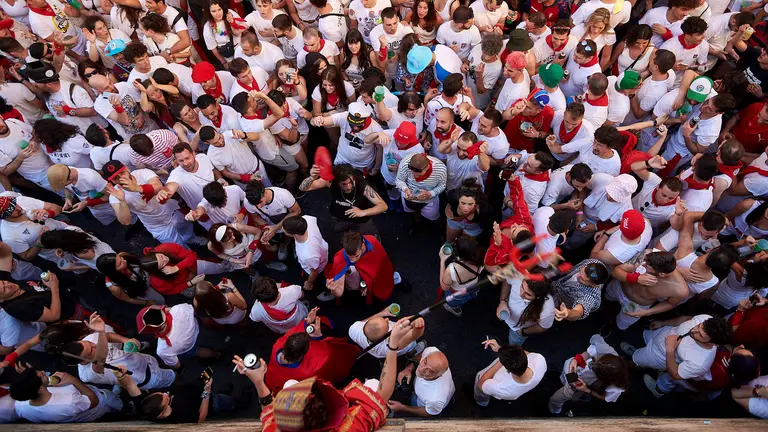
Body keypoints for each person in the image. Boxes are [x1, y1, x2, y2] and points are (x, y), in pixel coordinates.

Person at [250, 316, 422, 431]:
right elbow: (382, 394)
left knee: (289, 384)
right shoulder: (351, 426)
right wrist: (392, 345)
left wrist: (259, 381)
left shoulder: (278, 425)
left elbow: (268, 416)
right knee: (373, 386)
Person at [624, 314, 732, 398]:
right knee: (644, 338)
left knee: (636, 360)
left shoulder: (700, 363)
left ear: (714, 343)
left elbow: (675, 375)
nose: (693, 331)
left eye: (700, 335)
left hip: (660, 356)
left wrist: (670, 350)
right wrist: (663, 323)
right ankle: (640, 350)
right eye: (699, 326)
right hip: (662, 333)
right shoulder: (707, 318)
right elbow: (686, 319)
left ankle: (626, 365)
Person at [62, 314, 175, 391]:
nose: (94, 345)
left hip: (141, 358)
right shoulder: (88, 375)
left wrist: (126, 340)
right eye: (91, 350)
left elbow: (109, 336)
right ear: (82, 361)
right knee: (172, 377)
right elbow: (100, 359)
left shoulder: (90, 339)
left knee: (158, 360)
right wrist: (101, 331)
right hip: (145, 377)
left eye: (89, 343)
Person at [104, 160, 200, 247]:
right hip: (157, 225)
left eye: (122, 173)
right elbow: (125, 221)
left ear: (127, 168)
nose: (121, 178)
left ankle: (190, 239)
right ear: (112, 181)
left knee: (186, 228)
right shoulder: (115, 196)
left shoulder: (142, 173)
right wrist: (122, 201)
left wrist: (137, 188)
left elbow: (158, 187)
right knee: (179, 249)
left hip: (171, 210)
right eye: (116, 178)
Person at [265, 307, 360, 392]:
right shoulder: (309, 370)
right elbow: (333, 352)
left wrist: (307, 323)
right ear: (303, 354)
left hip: (274, 386)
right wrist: (319, 338)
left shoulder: (277, 345)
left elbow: (297, 330)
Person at [299, 163, 388, 237]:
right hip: (339, 217)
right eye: (344, 184)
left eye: (351, 182)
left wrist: (362, 212)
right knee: (344, 236)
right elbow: (303, 188)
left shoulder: (362, 186)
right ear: (337, 182)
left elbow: (383, 206)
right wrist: (312, 178)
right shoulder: (330, 182)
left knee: (369, 234)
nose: (349, 186)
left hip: (361, 220)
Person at [548, 335, 628, 414]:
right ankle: (563, 381)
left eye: (594, 369)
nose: (591, 365)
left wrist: (586, 390)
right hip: (576, 373)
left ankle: (555, 410)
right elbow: (588, 353)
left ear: (602, 379)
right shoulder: (607, 351)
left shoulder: (615, 387)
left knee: (562, 396)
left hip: (583, 385)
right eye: (593, 360)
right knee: (565, 377)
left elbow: (605, 397)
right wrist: (577, 359)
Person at [10, 367, 122, 423]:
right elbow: (94, 401)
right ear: (40, 389)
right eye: (42, 376)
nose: (44, 372)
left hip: (78, 406)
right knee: (110, 399)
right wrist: (73, 380)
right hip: (95, 405)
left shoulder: (20, 405)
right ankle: (126, 407)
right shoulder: (68, 402)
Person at [324, 230, 399, 304]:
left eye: (356, 255)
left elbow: (382, 264)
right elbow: (339, 290)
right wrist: (333, 290)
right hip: (356, 280)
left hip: (376, 277)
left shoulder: (372, 242)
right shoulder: (340, 259)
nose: (353, 260)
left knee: (384, 291)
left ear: (362, 246)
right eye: (349, 256)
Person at [136, 304, 220, 370]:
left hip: (189, 346)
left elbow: (175, 364)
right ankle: (218, 349)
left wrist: (178, 369)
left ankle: (216, 355)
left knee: (197, 351)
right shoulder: (178, 309)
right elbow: (193, 311)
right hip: (196, 327)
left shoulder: (162, 349)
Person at [474, 339, 547, 405]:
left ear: (507, 369)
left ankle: (482, 401)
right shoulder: (539, 360)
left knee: (479, 376)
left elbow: (481, 384)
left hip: (491, 380)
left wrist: (502, 359)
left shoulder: (501, 388)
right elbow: (525, 354)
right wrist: (500, 349)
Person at [140, 242, 227, 297]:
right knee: (201, 293)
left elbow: (192, 255)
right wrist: (190, 283)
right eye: (162, 264)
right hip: (185, 284)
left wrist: (176, 267)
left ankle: (226, 268)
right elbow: (171, 290)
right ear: (157, 270)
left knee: (215, 268)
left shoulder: (165, 248)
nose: (165, 259)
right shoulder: (157, 281)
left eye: (161, 256)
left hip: (191, 266)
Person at [389, 345, 454, 416]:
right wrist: (409, 368)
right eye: (425, 362)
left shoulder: (434, 399)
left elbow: (428, 413)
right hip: (423, 395)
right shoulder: (431, 351)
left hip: (422, 403)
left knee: (413, 401)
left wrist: (402, 407)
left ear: (439, 375)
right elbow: (422, 355)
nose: (421, 369)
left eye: (430, 371)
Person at [348, 306, 426, 359]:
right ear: (385, 337)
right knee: (410, 345)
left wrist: (383, 313)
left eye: (382, 318)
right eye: (388, 326)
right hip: (402, 347)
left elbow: (364, 322)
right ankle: (411, 352)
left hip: (375, 353)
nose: (387, 319)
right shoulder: (389, 346)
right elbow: (415, 335)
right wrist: (417, 321)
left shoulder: (354, 329)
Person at [397, 152, 447, 228]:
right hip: (408, 198)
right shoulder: (405, 163)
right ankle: (416, 223)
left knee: (434, 217)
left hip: (429, 201)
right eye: (412, 171)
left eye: (418, 173)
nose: (415, 175)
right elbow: (399, 180)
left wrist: (430, 193)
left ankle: (440, 228)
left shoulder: (440, 169)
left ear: (427, 167)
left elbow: (442, 186)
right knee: (412, 213)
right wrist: (405, 189)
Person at [282, 215, 329, 292]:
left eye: (285, 229)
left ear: (295, 234)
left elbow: (314, 271)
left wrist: (309, 283)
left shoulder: (308, 255)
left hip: (317, 268)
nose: (282, 229)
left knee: (318, 284)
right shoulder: (307, 219)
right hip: (323, 248)